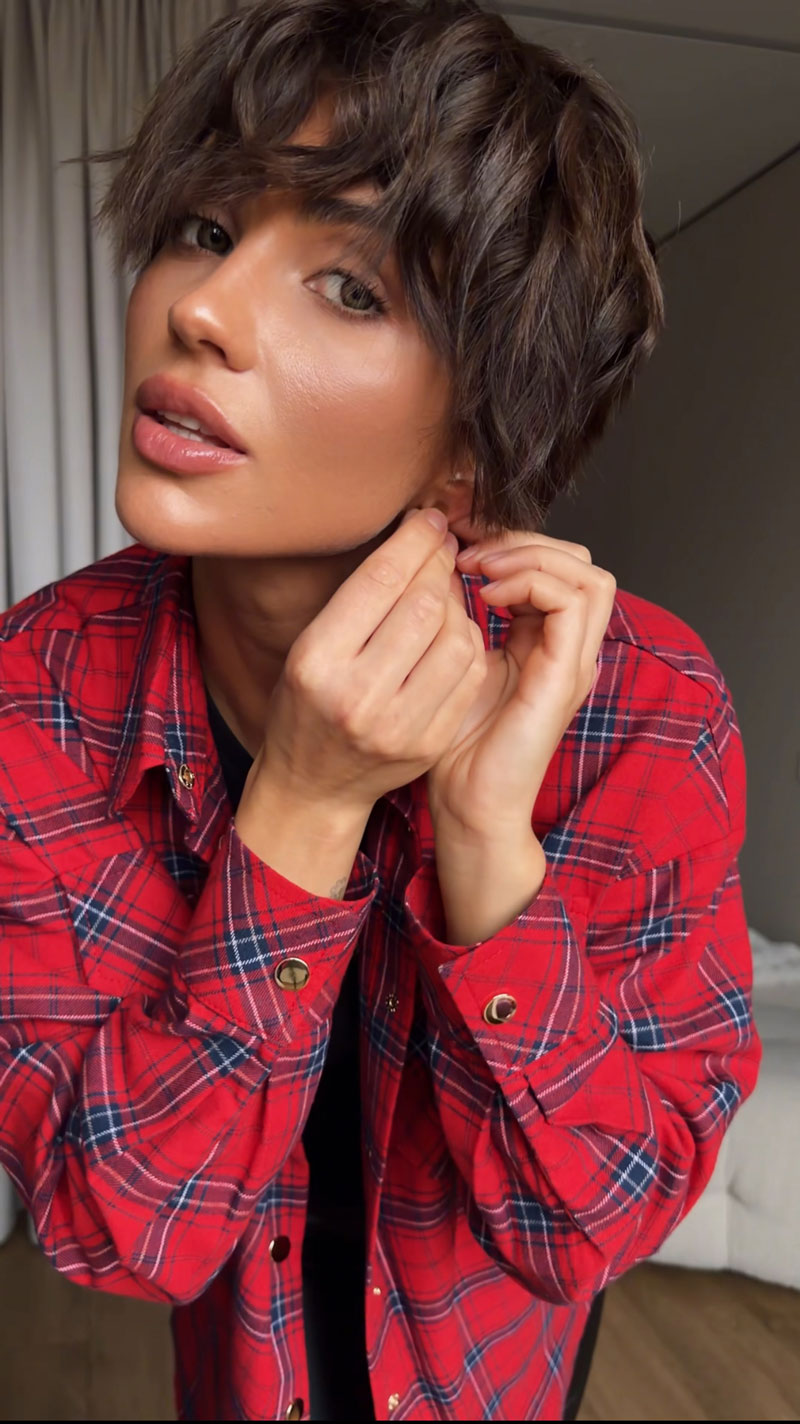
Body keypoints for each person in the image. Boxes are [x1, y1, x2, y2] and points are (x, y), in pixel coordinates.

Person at [0, 1, 760, 1420]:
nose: (199, 310)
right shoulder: (38, 690)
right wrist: (304, 803)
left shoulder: (642, 707)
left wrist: (486, 843)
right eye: (207, 230)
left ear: (474, 445)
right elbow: (119, 1232)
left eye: (349, 289)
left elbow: (588, 1229)